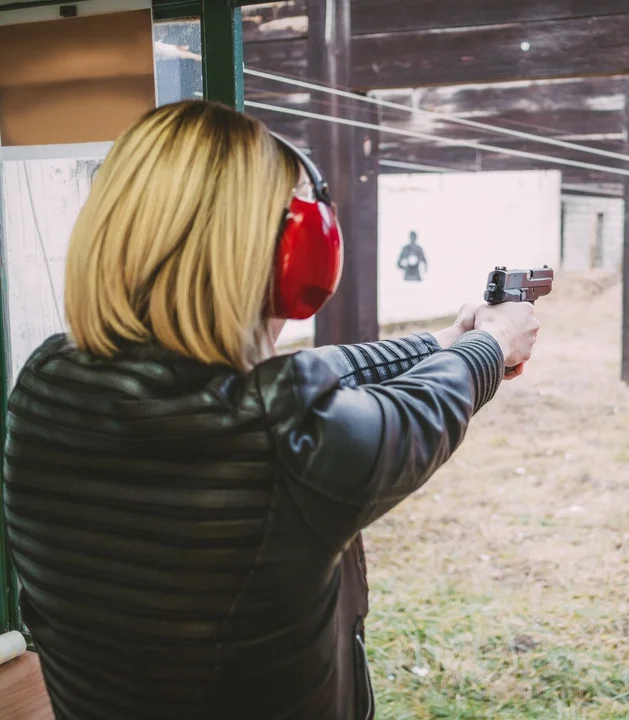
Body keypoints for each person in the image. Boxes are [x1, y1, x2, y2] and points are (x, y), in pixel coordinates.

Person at [1, 101, 539, 719]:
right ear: (294, 257)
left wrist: (443, 340)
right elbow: (419, 411)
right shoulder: (284, 433)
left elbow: (314, 375)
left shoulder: (46, 380)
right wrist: (491, 345)